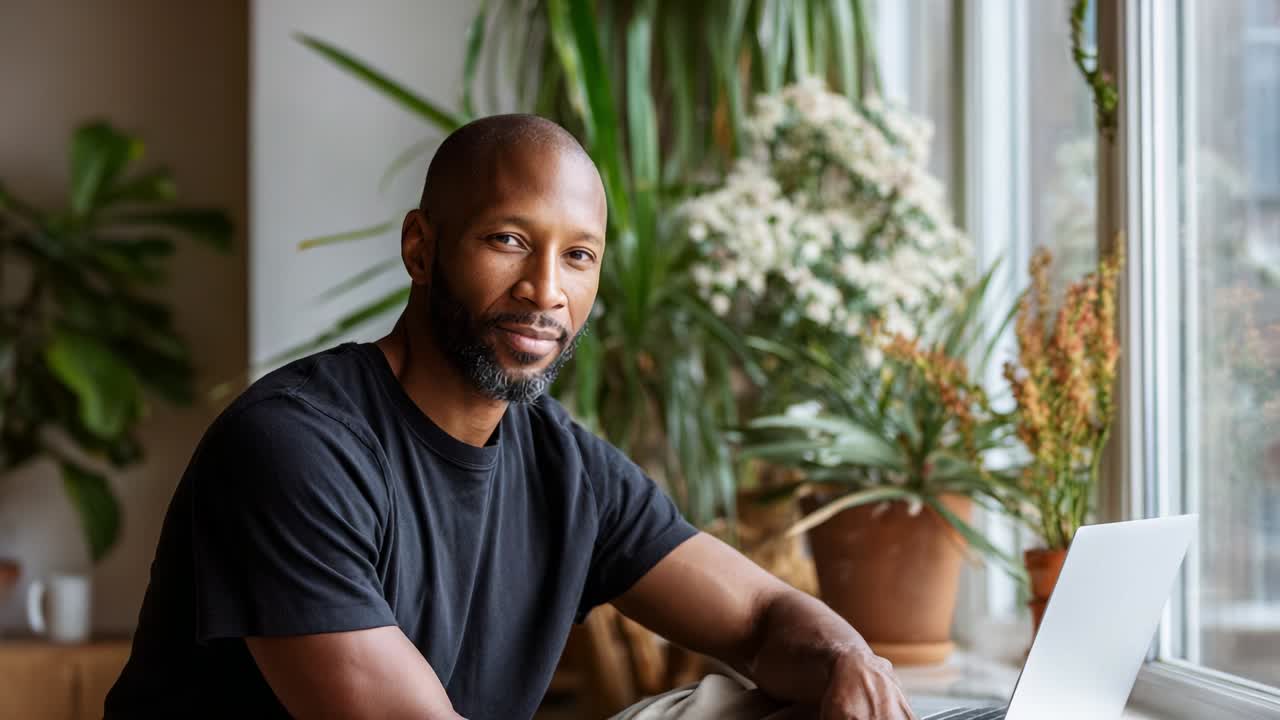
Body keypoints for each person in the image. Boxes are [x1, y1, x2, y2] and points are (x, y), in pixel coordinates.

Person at [103, 114, 917, 720]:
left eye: (578, 255)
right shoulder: (295, 447)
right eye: (507, 240)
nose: (546, 291)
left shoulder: (568, 469)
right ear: (421, 249)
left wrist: (852, 665)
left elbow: (766, 616)